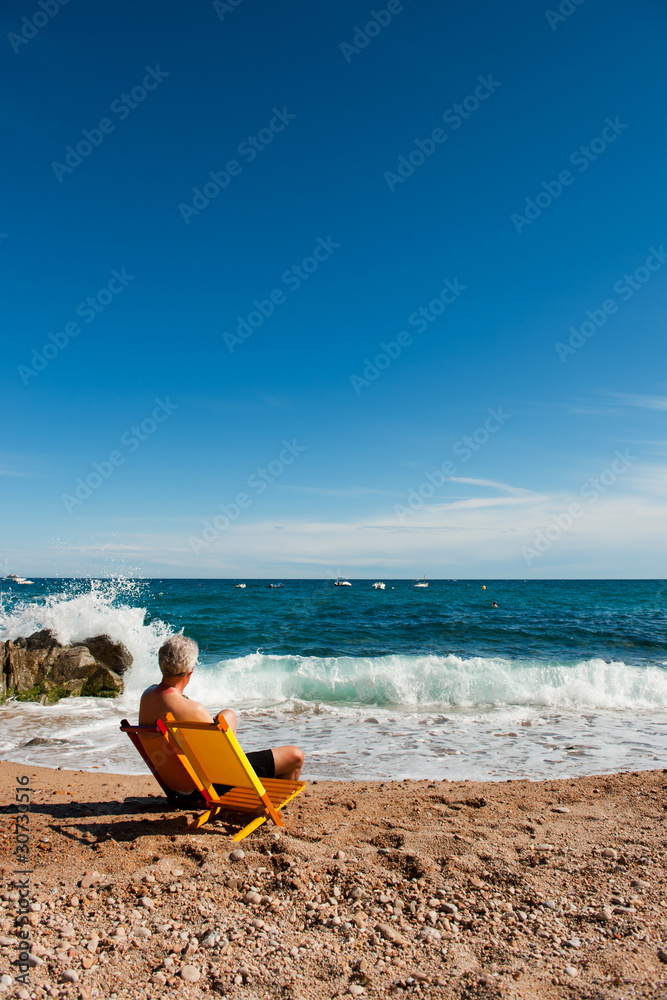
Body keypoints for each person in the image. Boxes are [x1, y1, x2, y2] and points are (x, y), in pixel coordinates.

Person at [139, 634, 303, 806]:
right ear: (190, 671)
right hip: (203, 787)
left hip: (175, 787)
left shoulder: (147, 696)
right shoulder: (193, 709)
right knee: (295, 756)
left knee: (227, 715)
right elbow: (224, 764)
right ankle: (264, 806)